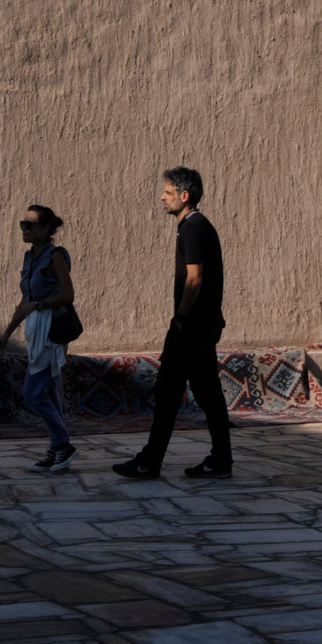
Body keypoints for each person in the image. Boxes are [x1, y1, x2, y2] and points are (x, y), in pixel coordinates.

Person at [114, 166, 231, 480]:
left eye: (168, 192)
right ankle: (220, 460)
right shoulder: (196, 226)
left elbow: (194, 278)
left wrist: (180, 317)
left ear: (184, 195)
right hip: (200, 328)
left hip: (190, 329)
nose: (162, 197)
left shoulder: (193, 227)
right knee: (207, 395)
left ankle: (150, 462)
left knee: (168, 394)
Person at [0, 204, 75, 473]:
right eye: (23, 224)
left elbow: (67, 295)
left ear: (45, 229)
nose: (25, 230)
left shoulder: (55, 256)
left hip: (50, 330)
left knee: (33, 393)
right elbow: (25, 300)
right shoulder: (29, 258)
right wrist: (8, 332)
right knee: (51, 392)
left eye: (30, 225)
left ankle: (63, 443)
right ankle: (57, 450)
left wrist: (40, 305)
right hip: (35, 329)